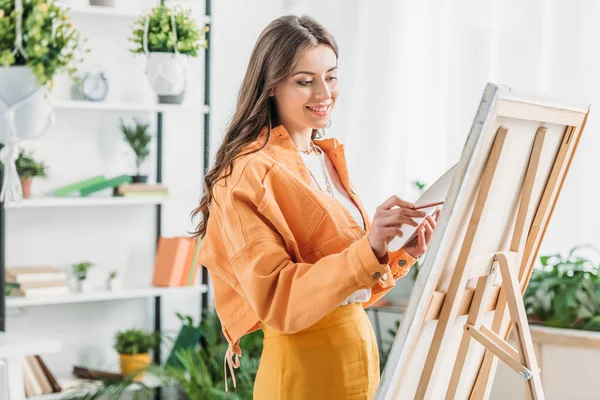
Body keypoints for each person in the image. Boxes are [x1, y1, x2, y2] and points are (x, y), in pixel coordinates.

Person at [193, 14, 438, 400]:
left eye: (331, 76)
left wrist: (397, 251)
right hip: (302, 373)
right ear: (271, 86)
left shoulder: (326, 158)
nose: (324, 93)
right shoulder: (247, 173)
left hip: (357, 359)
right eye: (305, 81)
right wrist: (367, 248)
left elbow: (346, 286)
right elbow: (278, 298)